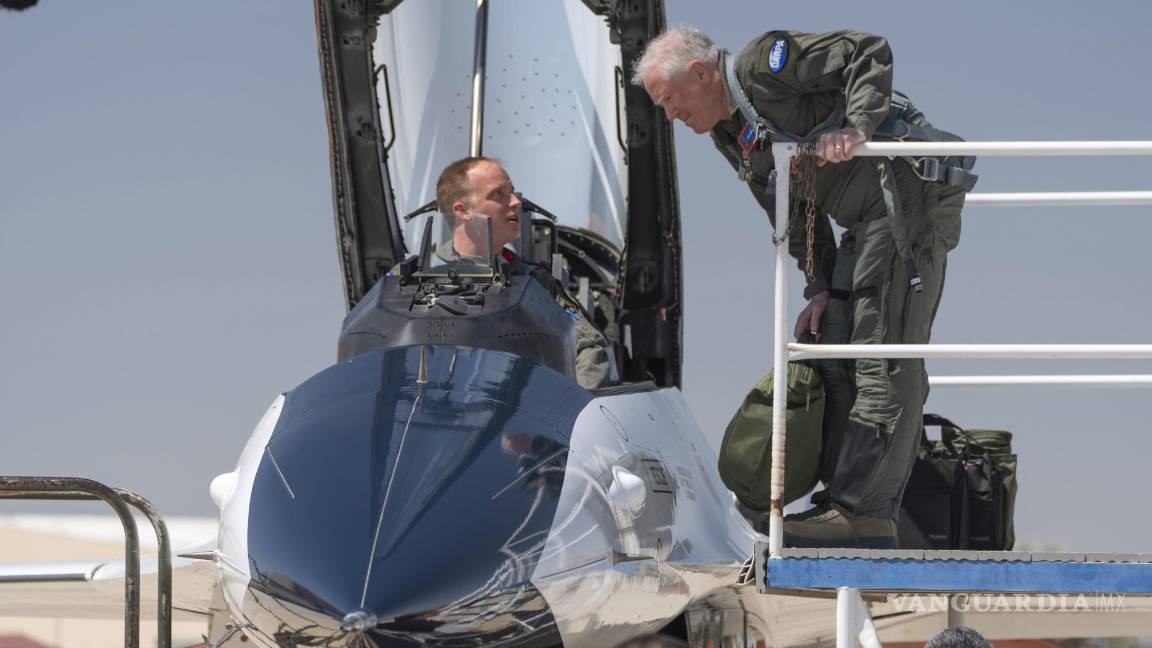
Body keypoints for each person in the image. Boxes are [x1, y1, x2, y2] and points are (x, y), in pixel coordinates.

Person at [633, 27, 968, 547]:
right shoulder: (731, 130)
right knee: (830, 345)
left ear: (700, 73)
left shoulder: (763, 67)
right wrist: (819, 287)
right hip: (864, 219)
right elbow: (788, 204)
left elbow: (867, 51)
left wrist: (857, 127)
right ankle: (842, 502)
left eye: (670, 100)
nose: (671, 116)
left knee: (881, 354)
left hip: (904, 198)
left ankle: (866, 515)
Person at [433, 156, 614, 390]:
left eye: (513, 192)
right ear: (462, 210)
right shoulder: (408, 280)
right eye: (498, 194)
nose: (516, 202)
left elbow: (586, 346)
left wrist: (574, 409)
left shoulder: (535, 284)